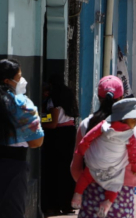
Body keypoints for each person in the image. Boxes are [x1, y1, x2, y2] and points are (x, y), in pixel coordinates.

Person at [71, 75, 136, 218]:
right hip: (122, 192)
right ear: (122, 97)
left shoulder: (86, 125)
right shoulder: (134, 127)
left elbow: (76, 168)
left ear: (98, 97)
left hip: (91, 188)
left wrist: (88, 180)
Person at [0, 59, 44, 218]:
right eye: (19, 77)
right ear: (7, 81)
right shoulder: (22, 104)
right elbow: (36, 142)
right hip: (13, 167)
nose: (21, 80)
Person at [41, 75, 79, 215]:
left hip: (57, 137)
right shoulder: (68, 97)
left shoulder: (54, 101)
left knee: (54, 172)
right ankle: (67, 203)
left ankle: (54, 205)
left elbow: (53, 122)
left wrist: (38, 121)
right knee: (66, 170)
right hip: (68, 135)